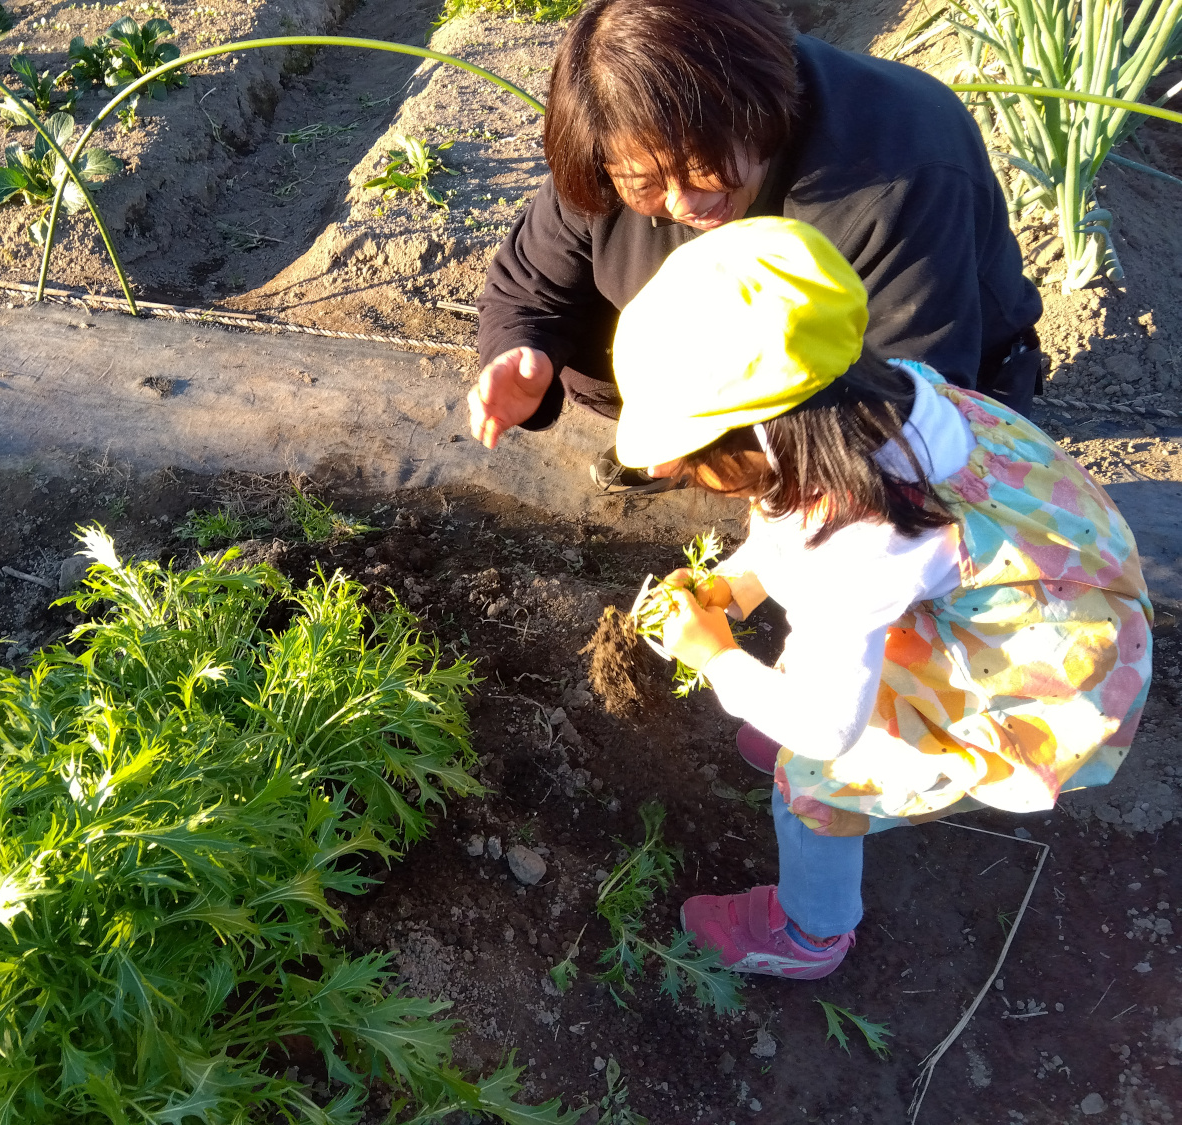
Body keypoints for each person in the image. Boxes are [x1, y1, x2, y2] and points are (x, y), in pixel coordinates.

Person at [612, 217, 1150, 979]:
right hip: (1053, 585)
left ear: (761, 441)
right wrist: (738, 582)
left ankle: (809, 933)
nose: (674, 472)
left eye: (692, 457)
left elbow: (828, 727)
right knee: (828, 667)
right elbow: (793, 528)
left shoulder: (861, 542)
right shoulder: (879, 401)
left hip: (1045, 678)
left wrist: (717, 656)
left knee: (818, 776)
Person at [467, 0, 1044, 491]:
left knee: (902, 485)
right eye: (645, 185)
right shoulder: (614, 135)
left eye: (701, 168)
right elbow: (527, 290)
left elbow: (904, 395)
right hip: (752, 340)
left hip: (904, 374)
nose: (683, 204)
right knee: (580, 343)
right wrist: (519, 353)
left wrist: (776, 518)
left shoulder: (898, 169)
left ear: (755, 111)